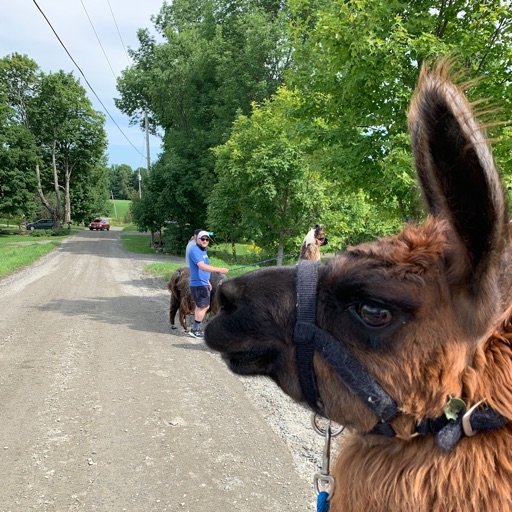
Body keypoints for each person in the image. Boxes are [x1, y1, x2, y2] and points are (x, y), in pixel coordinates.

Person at [187, 230, 229, 338]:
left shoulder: (203, 251)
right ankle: (195, 330)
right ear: (197, 239)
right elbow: (202, 267)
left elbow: (204, 269)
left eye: (207, 239)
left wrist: (207, 282)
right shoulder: (195, 251)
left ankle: (195, 328)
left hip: (203, 283)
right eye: (203, 239)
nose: (205, 241)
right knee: (204, 306)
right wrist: (219, 269)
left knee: (201, 306)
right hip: (198, 284)